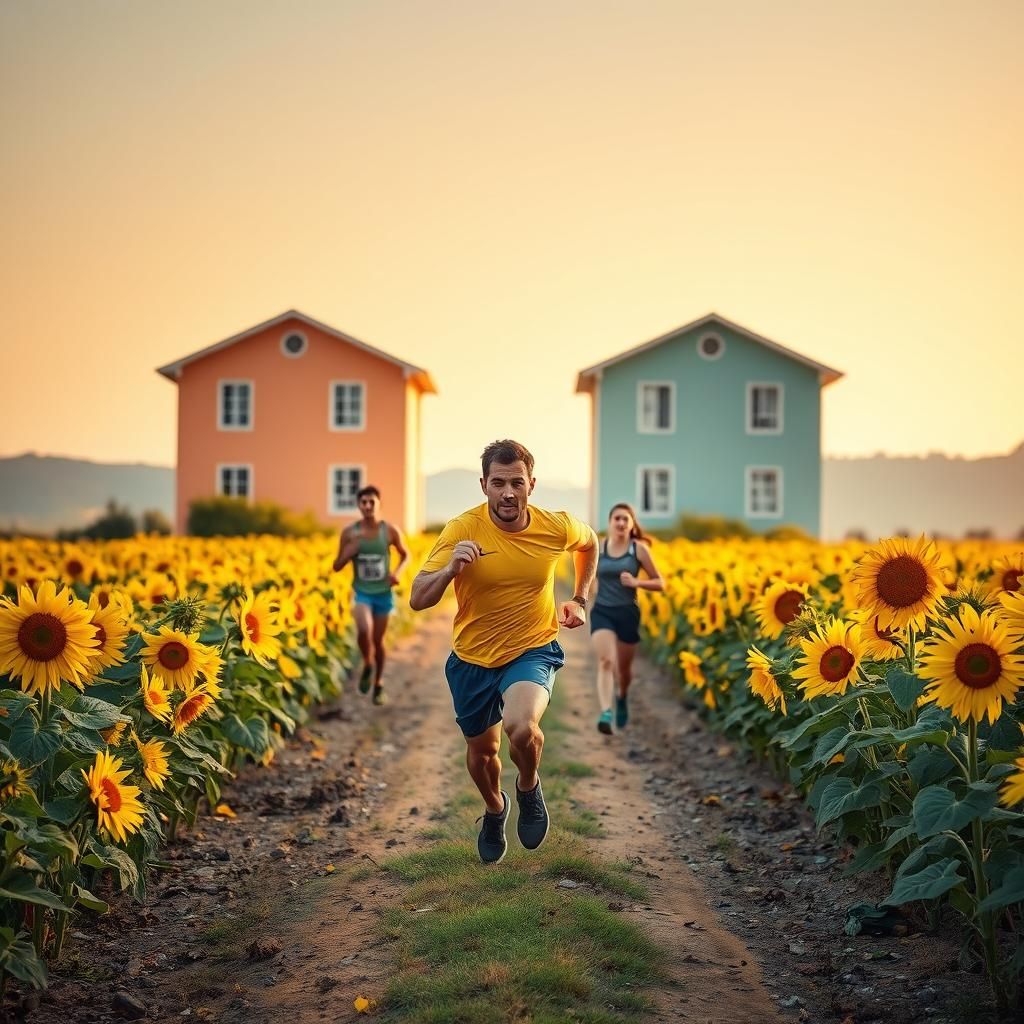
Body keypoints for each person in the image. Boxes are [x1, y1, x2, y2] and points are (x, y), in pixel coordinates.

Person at [410, 439, 598, 864]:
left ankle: (528, 787)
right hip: (472, 659)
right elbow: (418, 598)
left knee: (522, 727)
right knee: (482, 755)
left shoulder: (556, 526)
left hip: (532, 648)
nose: (508, 492)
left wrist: (580, 599)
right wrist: (449, 570)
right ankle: (495, 809)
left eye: (517, 482)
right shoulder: (462, 529)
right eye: (499, 483)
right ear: (484, 485)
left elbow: (590, 545)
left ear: (532, 483)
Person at [590, 502, 664, 734]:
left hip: (627, 613)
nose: (621, 523)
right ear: (610, 523)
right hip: (602, 611)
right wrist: (589, 588)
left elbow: (661, 582)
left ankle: (621, 696)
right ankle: (605, 712)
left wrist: (637, 582)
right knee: (606, 661)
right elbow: (588, 575)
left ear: (632, 525)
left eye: (626, 519)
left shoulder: (639, 550)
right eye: (617, 519)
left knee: (623, 670)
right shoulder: (598, 547)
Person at [332, 485, 409, 706]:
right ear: (358, 505)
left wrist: (396, 574)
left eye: (371, 502)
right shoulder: (349, 533)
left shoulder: (389, 531)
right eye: (363, 502)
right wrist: (349, 551)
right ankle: (367, 662)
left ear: (379, 504)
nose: (367, 506)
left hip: (383, 594)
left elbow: (406, 555)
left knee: (378, 640)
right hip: (362, 592)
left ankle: (378, 683)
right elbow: (336, 566)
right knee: (364, 631)